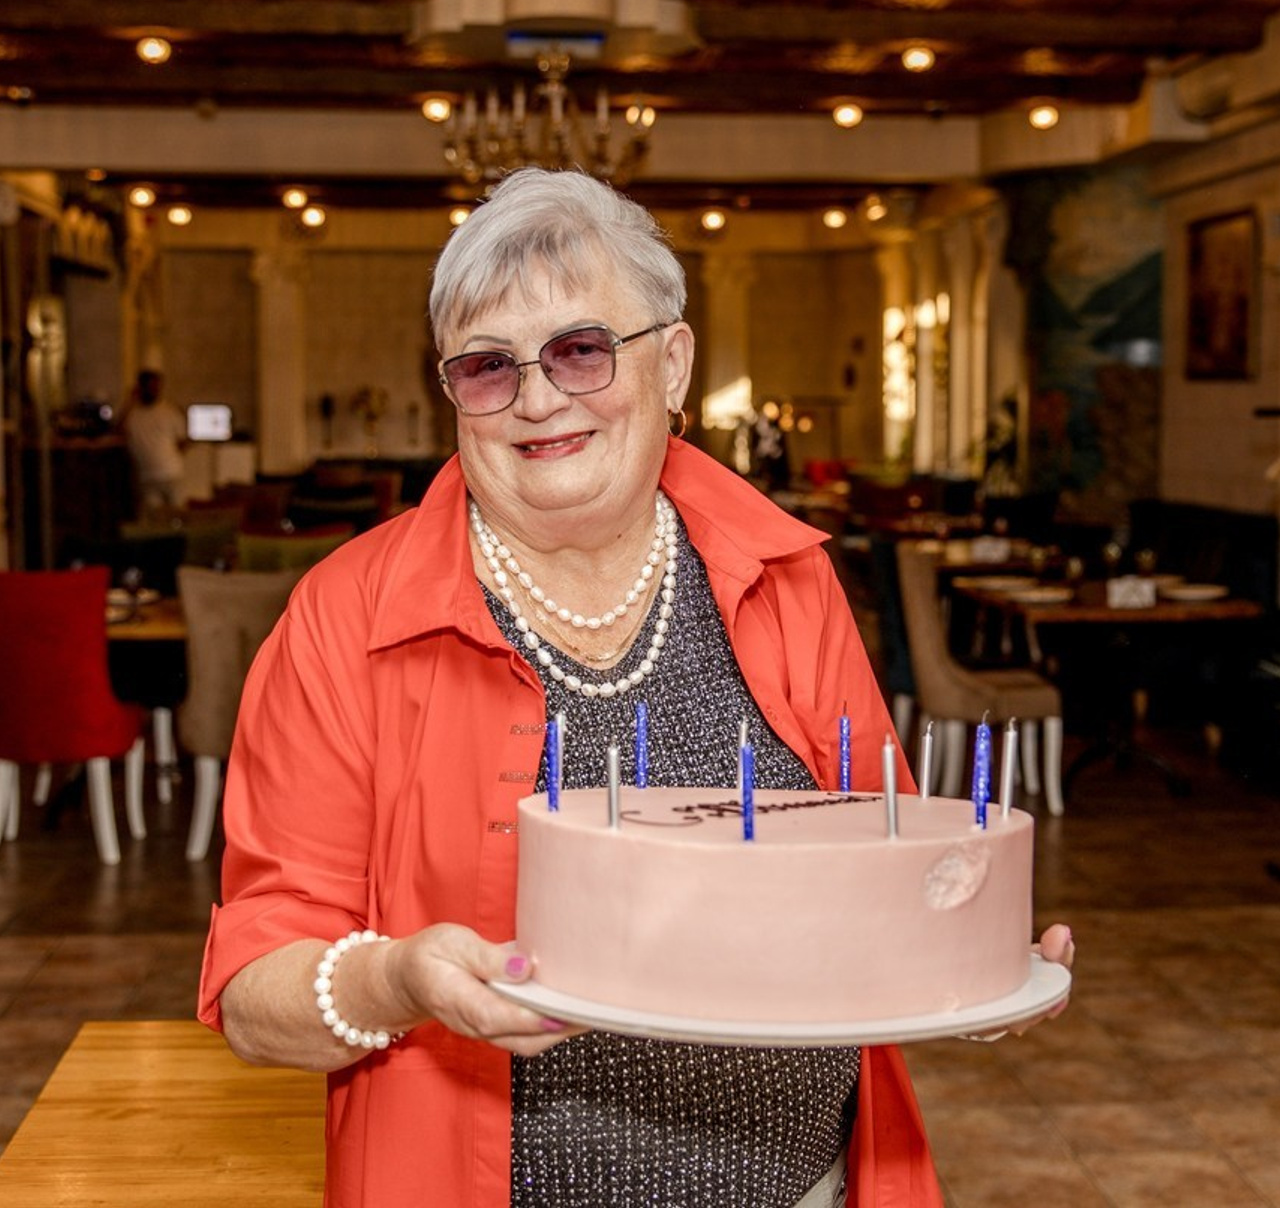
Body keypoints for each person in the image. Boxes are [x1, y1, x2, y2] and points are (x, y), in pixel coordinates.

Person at [198, 169, 1073, 1207]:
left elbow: (880, 878)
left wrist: (965, 966)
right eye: (488, 366)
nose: (536, 399)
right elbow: (253, 992)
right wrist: (393, 980)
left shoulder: (785, 575)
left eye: (580, 349)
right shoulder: (346, 618)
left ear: (673, 363)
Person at [120, 367, 186, 515]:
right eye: (150, 387)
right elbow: (118, 431)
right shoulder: (132, 414)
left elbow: (182, 442)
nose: (154, 391)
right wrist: (129, 402)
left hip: (171, 473)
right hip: (147, 476)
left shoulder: (170, 412)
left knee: (177, 513)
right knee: (154, 516)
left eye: (157, 387)